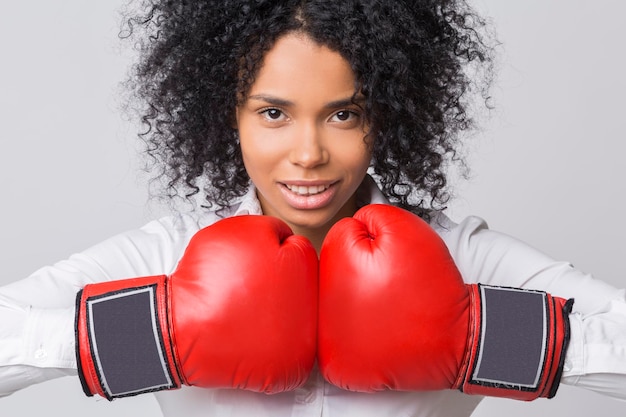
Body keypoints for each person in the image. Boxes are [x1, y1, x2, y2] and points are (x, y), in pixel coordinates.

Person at [1, 1, 625, 416]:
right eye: (273, 113)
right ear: (231, 119)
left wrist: (477, 340)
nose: (308, 153)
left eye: (343, 114)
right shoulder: (171, 255)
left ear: (385, 117)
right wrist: (158, 333)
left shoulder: (458, 259)